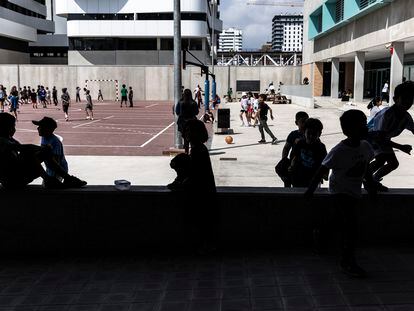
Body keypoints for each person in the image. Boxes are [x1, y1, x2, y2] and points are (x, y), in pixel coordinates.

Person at [305, 110, 378, 278]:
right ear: (348, 130)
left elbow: (365, 167)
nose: (365, 128)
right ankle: (347, 261)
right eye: (360, 125)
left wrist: (372, 185)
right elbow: (322, 170)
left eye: (364, 124)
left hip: (354, 191)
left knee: (339, 220)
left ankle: (320, 234)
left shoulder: (365, 147)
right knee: (351, 225)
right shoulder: (338, 150)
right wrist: (310, 190)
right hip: (339, 191)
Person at [0, 113, 86, 189]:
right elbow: (22, 147)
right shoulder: (1, 140)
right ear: (6, 127)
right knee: (30, 153)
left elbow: (22, 147)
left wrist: (41, 150)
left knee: (35, 153)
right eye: (13, 126)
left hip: (14, 177)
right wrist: (41, 149)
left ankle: (64, 178)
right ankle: (52, 179)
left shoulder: (8, 139)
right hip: (11, 181)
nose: (14, 129)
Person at [368, 81, 414, 188]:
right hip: (371, 137)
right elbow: (380, 138)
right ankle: (367, 178)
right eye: (405, 98)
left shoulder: (406, 117)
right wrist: (401, 147)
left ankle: (373, 179)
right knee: (381, 160)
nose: (408, 102)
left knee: (393, 163)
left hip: (382, 139)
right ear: (395, 99)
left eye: (411, 99)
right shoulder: (386, 115)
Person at [289, 118, 327, 187]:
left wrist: (324, 175)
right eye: (308, 133)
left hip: (313, 181)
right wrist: (291, 166)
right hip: (298, 178)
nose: (311, 136)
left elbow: (324, 163)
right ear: (304, 132)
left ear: (320, 134)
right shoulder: (300, 143)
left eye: (314, 134)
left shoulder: (321, 147)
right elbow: (295, 157)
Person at [276, 111, 309, 187]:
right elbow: (286, 148)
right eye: (302, 122)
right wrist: (284, 160)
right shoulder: (293, 134)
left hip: (306, 164)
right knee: (289, 182)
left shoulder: (311, 135)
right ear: (296, 123)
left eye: (307, 122)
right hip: (294, 164)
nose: (305, 124)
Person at [32, 117, 68, 181]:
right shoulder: (44, 137)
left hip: (59, 169)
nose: (37, 128)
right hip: (50, 168)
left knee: (52, 187)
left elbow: (56, 160)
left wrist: (54, 174)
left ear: (47, 129)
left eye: (40, 127)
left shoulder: (55, 142)